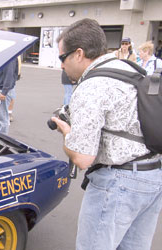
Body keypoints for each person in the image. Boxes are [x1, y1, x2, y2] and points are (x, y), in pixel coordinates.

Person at [52, 18, 162, 250]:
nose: (61, 65)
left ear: (79, 54)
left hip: (118, 184)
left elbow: (82, 158)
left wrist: (66, 132)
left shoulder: (92, 86)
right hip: (153, 175)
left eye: (62, 57)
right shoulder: (130, 69)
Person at [0, 58, 18, 134]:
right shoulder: (7, 56)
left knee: (2, 117)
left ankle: (2, 139)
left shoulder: (9, 57)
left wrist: (4, 91)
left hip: (2, 90)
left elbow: (9, 75)